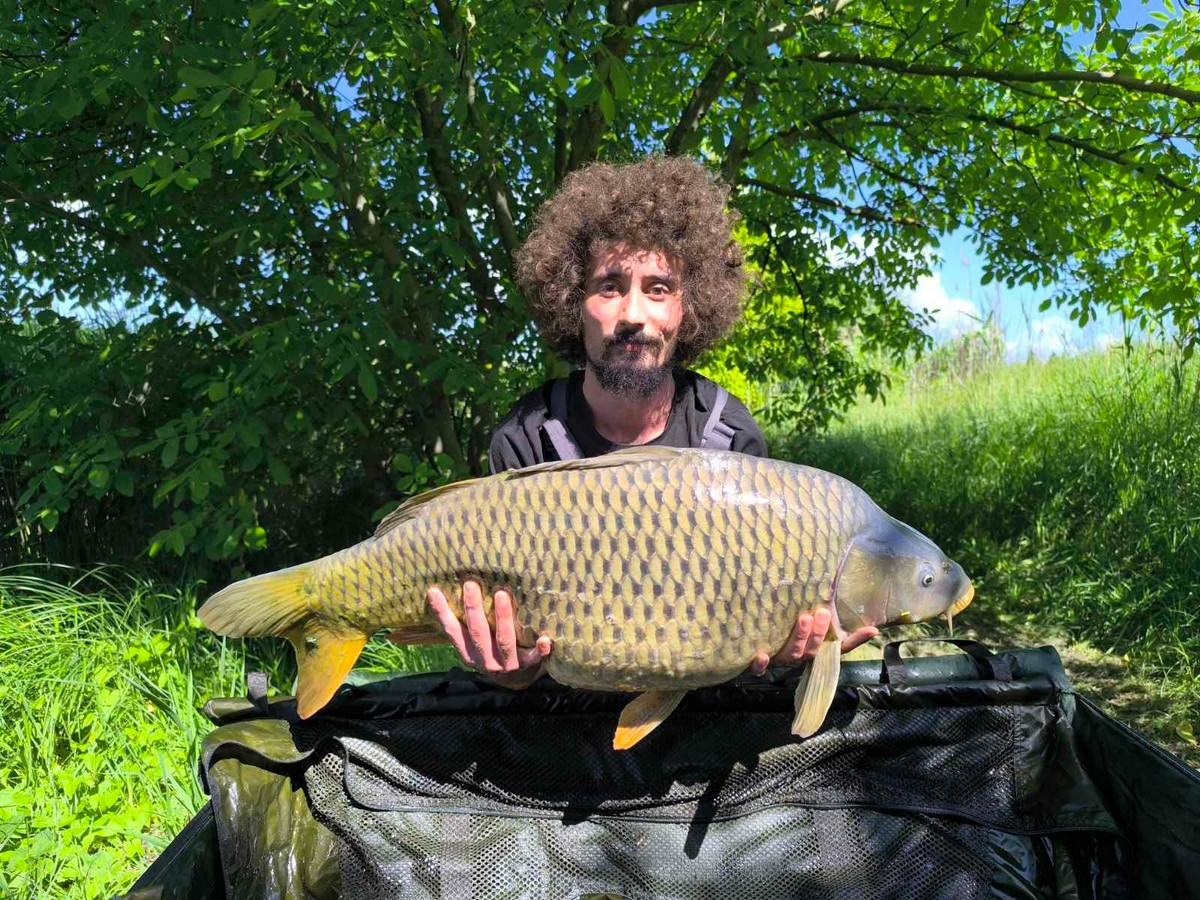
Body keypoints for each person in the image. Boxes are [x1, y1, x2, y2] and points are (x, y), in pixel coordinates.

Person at [401, 157, 877, 686]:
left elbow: (753, 645)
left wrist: (788, 649)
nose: (632, 314)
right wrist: (507, 671)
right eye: (609, 286)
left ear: (687, 309)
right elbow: (509, 665)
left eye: (658, 289)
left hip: (697, 713)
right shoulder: (525, 438)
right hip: (561, 712)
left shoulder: (728, 435)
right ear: (573, 304)